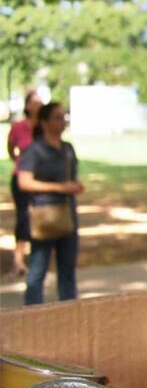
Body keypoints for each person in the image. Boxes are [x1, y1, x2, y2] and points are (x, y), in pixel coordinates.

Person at [17, 102, 84, 305]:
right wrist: (59, 188)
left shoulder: (67, 149)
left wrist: (73, 187)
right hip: (44, 215)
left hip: (67, 215)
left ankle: (69, 311)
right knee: (38, 270)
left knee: (68, 271)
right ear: (44, 122)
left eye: (63, 116)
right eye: (57, 117)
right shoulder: (34, 150)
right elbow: (24, 182)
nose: (62, 121)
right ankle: (32, 313)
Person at [6, 90, 42, 276]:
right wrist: (18, 161)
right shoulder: (19, 127)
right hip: (21, 178)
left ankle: (37, 260)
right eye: (35, 102)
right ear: (27, 106)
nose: (39, 105)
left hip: (41, 179)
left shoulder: (44, 126)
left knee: (39, 218)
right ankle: (18, 260)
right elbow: (11, 147)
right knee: (23, 217)